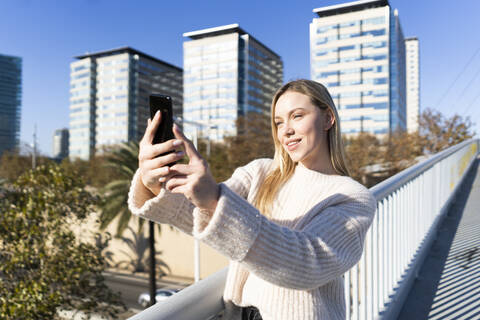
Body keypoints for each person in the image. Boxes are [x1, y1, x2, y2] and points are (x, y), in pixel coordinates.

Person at [128, 79, 376, 320]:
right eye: (278, 122)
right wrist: (152, 184)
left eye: (297, 116)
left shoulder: (354, 198)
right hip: (237, 313)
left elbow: (306, 263)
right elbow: (198, 214)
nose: (286, 130)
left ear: (327, 119)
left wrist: (214, 199)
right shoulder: (260, 172)